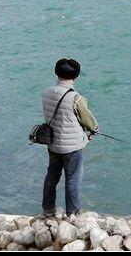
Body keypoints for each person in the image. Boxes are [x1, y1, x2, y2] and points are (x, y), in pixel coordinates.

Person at [41, 58, 99, 217]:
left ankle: (48, 209)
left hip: (53, 144)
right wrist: (93, 131)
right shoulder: (76, 98)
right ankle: (72, 213)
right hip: (72, 147)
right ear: (76, 76)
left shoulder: (46, 93)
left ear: (56, 73)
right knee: (72, 180)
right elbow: (88, 120)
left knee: (51, 176)